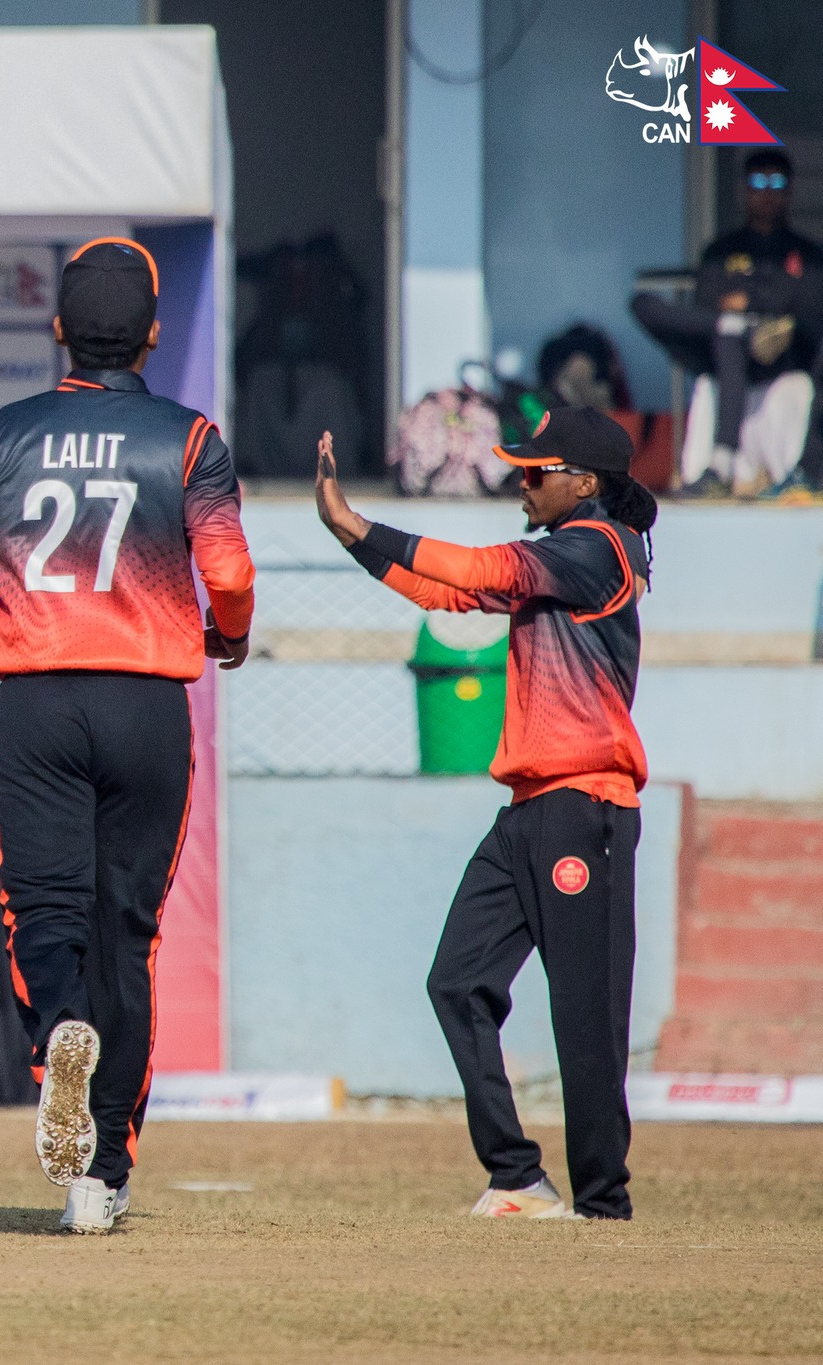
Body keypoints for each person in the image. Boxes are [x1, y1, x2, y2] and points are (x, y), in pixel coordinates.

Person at [0, 238, 256, 1233]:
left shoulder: (0, 436)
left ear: (58, 328)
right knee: (127, 938)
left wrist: (8, 624)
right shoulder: (188, 438)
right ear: (152, 335)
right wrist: (227, 635)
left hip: (38, 703)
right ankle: (103, 1177)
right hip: (146, 705)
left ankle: (60, 1029)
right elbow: (229, 576)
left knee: (45, 915)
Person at [314, 408, 656, 1221]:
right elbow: (448, 589)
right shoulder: (557, 558)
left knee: (585, 1016)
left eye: (537, 471)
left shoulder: (599, 547)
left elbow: (476, 565)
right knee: (457, 982)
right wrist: (349, 533)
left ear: (585, 481)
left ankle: (603, 1203)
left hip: (587, 806)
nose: (522, 483)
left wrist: (364, 521)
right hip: (528, 810)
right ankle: (516, 1175)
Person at [632, 148, 823, 495]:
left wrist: (749, 303)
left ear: (790, 191)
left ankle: (725, 465)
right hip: (722, 350)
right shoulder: (720, 250)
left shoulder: (806, 253)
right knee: (646, 303)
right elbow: (707, 304)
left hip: (780, 357)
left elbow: (807, 305)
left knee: (732, 330)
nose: (767, 192)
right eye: (758, 182)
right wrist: (744, 313)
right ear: (743, 189)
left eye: (776, 183)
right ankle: (734, 328)